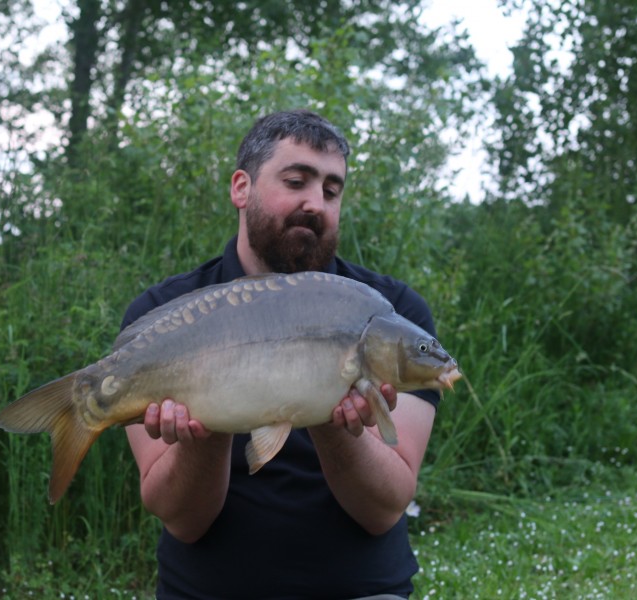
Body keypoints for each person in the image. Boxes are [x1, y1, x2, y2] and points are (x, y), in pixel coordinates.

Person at [120, 109, 441, 599]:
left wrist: (334, 423)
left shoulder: (393, 316)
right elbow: (182, 523)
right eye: (296, 181)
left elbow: (385, 509)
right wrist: (206, 431)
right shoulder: (163, 317)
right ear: (241, 188)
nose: (315, 203)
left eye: (332, 191)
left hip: (359, 588)